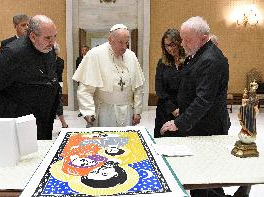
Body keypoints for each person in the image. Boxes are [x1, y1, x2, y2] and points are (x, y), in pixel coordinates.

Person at [160, 16, 231, 197]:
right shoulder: (200, 53)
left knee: (206, 175)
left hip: (208, 127)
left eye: (187, 40)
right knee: (202, 176)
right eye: (182, 39)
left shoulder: (210, 60)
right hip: (200, 124)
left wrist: (178, 123)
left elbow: (203, 100)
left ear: (204, 38)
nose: (182, 44)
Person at [0, 15, 60, 140]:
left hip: (42, 120)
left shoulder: (48, 48)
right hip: (17, 122)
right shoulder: (12, 53)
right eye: (48, 38)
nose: (52, 42)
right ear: (33, 36)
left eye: (55, 36)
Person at [72, 24, 145, 127]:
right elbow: (85, 89)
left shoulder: (131, 56)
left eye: (126, 43)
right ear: (110, 40)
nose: (124, 47)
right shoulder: (95, 54)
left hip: (128, 110)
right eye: (120, 42)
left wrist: (137, 111)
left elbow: (138, 86)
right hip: (104, 111)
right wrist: (88, 112)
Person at [154, 28, 185, 138]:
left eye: (172, 44)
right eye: (166, 46)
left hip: (184, 109)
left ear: (179, 43)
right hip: (165, 108)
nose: (170, 49)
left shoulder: (188, 61)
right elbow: (159, 89)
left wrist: (181, 109)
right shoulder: (162, 63)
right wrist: (172, 109)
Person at [54, 43, 68, 128]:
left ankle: (64, 124)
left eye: (54, 50)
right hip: (47, 85)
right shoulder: (45, 60)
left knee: (58, 103)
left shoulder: (60, 61)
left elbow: (58, 73)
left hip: (58, 84)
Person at [76, 45, 89, 117]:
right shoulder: (78, 59)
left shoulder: (91, 58)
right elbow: (77, 70)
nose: (84, 51)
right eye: (83, 50)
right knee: (81, 96)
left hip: (89, 80)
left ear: (88, 50)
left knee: (88, 96)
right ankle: (82, 111)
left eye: (85, 50)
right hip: (81, 80)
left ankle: (88, 111)